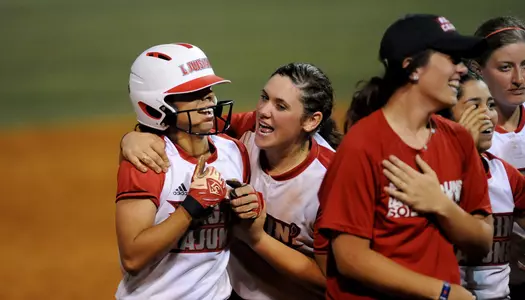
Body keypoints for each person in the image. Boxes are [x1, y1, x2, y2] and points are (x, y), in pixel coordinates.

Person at [120, 62, 342, 299]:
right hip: (230, 292)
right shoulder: (249, 130)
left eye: (281, 106)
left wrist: (257, 239)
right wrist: (133, 138)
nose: (264, 111)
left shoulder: (331, 181)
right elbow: (184, 124)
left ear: (311, 121)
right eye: (264, 97)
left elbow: (329, 281)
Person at [317, 14, 493, 300]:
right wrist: (443, 292)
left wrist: (441, 205)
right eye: (452, 58)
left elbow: (483, 241)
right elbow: (350, 257)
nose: (462, 70)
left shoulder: (458, 139)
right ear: (412, 67)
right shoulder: (363, 145)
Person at [114, 43, 256, 300]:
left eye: (209, 90)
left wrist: (250, 210)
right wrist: (191, 207)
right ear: (157, 105)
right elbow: (133, 257)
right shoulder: (149, 161)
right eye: (194, 93)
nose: (209, 101)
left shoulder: (233, 152)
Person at [437, 71, 525, 299]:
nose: (487, 114)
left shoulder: (505, 174)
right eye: (473, 106)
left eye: (491, 105)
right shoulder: (429, 174)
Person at [469, 16, 525, 297]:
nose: (519, 79)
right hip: (483, 284)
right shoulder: (462, 136)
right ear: (477, 69)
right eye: (506, 68)